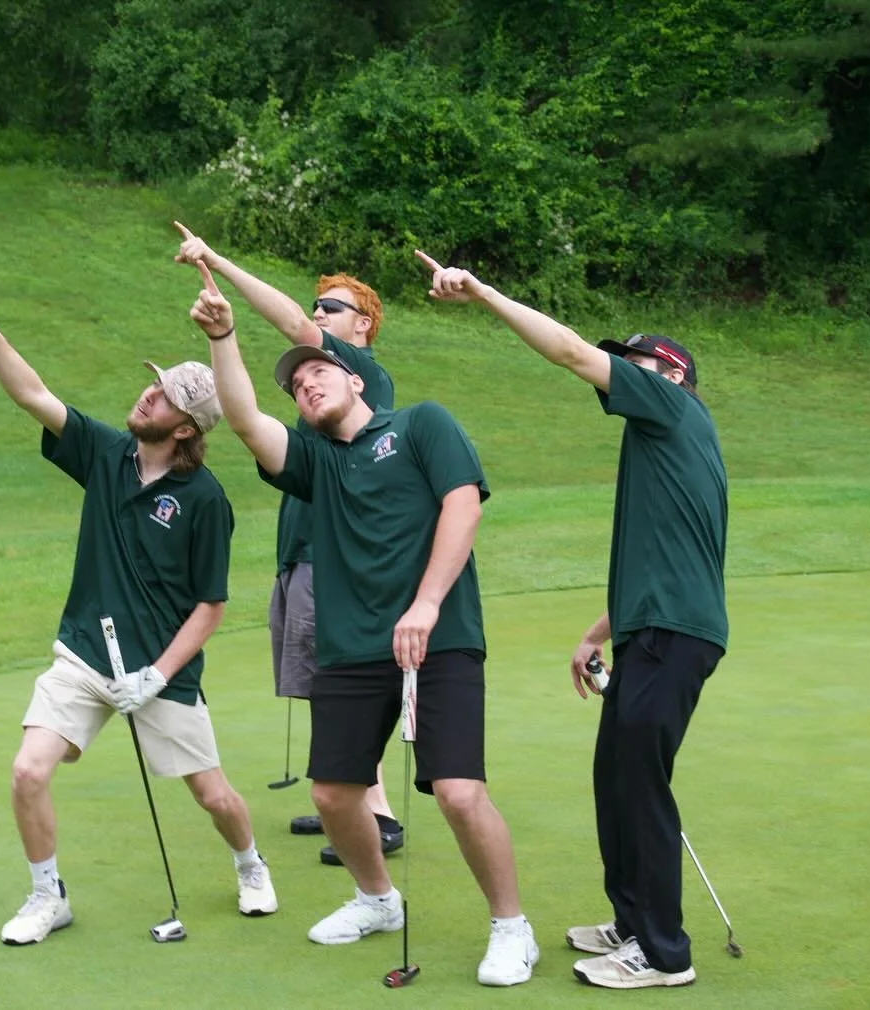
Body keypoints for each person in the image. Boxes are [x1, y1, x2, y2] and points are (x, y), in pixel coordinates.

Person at [185, 265, 538, 987]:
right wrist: (223, 337)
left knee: (459, 791)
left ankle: (512, 927)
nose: (305, 384)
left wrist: (428, 603)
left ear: (355, 378)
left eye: (317, 372)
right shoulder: (316, 461)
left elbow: (463, 505)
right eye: (296, 384)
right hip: (352, 648)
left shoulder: (420, 425)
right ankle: (376, 899)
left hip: (439, 639)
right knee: (333, 794)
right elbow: (249, 422)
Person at [414, 251, 727, 990]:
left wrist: (483, 291)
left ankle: (662, 953)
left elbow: (567, 350)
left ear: (672, 375)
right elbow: (661, 562)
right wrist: (597, 631)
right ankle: (631, 918)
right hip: (654, 627)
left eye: (637, 363)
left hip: (675, 636)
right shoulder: (663, 446)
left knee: (641, 786)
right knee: (615, 777)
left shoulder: (674, 407)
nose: (618, 372)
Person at [0, 271, 277, 947]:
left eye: (165, 396)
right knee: (27, 770)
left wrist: (156, 676)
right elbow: (33, 394)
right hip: (87, 656)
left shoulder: (205, 500)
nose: (147, 392)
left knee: (214, 796)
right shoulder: (106, 453)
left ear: (184, 427)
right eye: (153, 382)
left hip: (162, 671)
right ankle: (47, 896)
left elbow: (210, 607)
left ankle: (250, 863)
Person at [173, 222, 404, 867]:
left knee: (341, 678)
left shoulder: (360, 373)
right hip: (299, 556)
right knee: (317, 679)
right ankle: (346, 797)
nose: (319, 313)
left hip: (330, 563)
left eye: (333, 307)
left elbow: (291, 325)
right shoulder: (316, 391)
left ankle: (374, 813)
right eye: (320, 303)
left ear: (362, 327)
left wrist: (216, 258)